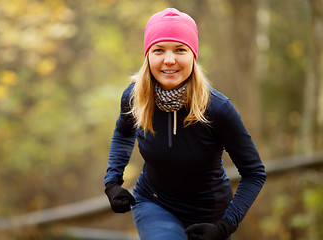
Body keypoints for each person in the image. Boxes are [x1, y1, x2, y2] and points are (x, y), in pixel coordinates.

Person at [104, 8, 266, 240]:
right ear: (148, 55)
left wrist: (225, 226)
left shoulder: (217, 108)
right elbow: (123, 132)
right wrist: (112, 182)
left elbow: (254, 173)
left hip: (211, 216)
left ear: (193, 55)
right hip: (154, 203)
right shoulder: (134, 97)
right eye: (159, 50)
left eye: (180, 50)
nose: (169, 60)